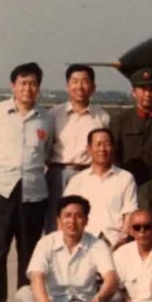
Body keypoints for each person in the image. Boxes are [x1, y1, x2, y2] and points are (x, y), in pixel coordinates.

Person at [17, 195, 152, 302]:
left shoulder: (97, 245)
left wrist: (96, 301)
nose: (72, 221)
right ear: (58, 220)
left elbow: (111, 278)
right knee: (23, 294)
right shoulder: (46, 243)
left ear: (86, 221)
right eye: (67, 216)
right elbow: (36, 277)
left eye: (78, 216)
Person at [0, 62, 53, 302]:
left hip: (34, 191)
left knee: (29, 252)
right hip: (2, 189)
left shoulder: (46, 118)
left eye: (33, 84)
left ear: (38, 87)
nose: (27, 88)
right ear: (13, 86)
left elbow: (48, 153)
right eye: (23, 83)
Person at [46, 64, 109, 230]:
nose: (79, 86)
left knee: (87, 222)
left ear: (93, 87)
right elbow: (46, 147)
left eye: (85, 81)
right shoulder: (53, 114)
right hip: (58, 174)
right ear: (67, 86)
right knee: (56, 224)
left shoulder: (102, 117)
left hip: (88, 173)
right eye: (74, 81)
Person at [65, 128, 137, 247]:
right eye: (98, 144)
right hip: (83, 241)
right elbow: (65, 213)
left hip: (115, 241)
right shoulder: (77, 180)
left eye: (107, 144)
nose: (102, 149)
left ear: (113, 148)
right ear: (89, 149)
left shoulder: (126, 178)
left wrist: (122, 241)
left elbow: (130, 213)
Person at [110, 68, 152, 185]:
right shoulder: (120, 121)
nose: (147, 94)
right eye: (143, 89)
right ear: (134, 92)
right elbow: (114, 155)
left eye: (151, 89)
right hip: (129, 183)